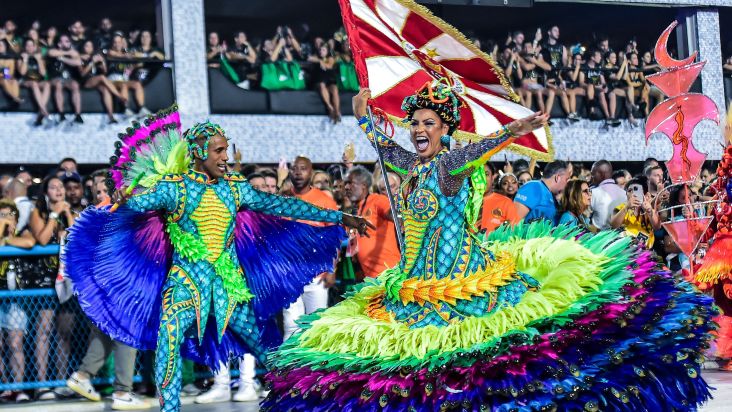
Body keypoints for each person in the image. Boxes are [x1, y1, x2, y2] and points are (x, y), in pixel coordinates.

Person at [265, 82, 715, 411]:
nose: (418, 130)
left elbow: (486, 144)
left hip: (463, 281)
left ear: (444, 129)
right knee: (418, 371)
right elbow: (382, 144)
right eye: (415, 124)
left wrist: (521, 126)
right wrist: (361, 112)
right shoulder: (411, 164)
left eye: (428, 124)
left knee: (476, 366)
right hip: (415, 284)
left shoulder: (448, 164)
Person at [65, 108, 371, 412]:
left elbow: (283, 206)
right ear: (198, 152)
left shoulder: (235, 189)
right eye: (219, 150)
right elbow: (138, 202)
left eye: (226, 149)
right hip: (184, 284)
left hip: (228, 288)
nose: (226, 157)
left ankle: (302, 402)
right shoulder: (175, 188)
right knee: (167, 349)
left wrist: (339, 217)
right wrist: (124, 198)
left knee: (266, 349)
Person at [282, 156, 340, 339]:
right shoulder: (283, 201)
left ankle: (316, 369)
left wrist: (333, 269)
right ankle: (290, 368)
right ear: (290, 172)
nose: (298, 172)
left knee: (317, 327)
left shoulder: (325, 201)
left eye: (303, 168)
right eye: (294, 168)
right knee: (291, 325)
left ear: (311, 173)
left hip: (318, 275)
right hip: (289, 275)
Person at [0, 199, 35, 403]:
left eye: (8, 215)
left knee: (15, 343)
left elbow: (29, 243)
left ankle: (18, 386)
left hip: (17, 299)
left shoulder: (24, 232)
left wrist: (6, 239)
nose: (5, 220)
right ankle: (5, 386)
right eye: (1, 216)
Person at [344, 166, 400, 279]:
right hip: (369, 278)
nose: (346, 187)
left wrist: (400, 218)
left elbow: (393, 214)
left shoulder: (377, 200)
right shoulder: (354, 211)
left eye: (350, 183)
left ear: (363, 185)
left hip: (388, 275)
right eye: (346, 183)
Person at [79, 40, 126, 123]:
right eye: (87, 46)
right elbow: (82, 74)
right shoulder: (80, 57)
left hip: (96, 82)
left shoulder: (95, 57)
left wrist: (102, 62)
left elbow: (105, 72)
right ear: (83, 47)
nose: (89, 48)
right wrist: (91, 63)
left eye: (90, 46)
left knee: (105, 90)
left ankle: (111, 117)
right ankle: (119, 96)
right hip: (85, 82)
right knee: (101, 77)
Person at [610, 176, 660, 249]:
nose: (633, 193)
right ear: (626, 193)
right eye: (629, 190)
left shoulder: (649, 209)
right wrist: (627, 207)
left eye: (636, 190)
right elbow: (614, 225)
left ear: (645, 194)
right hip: (624, 250)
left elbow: (657, 227)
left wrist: (649, 210)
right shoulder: (621, 208)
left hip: (645, 252)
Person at [514, 160, 570, 224]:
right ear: (557, 177)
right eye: (566, 179)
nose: (567, 184)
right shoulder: (533, 187)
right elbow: (513, 222)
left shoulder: (551, 194)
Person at [47, 34, 84, 123]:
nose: (66, 43)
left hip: (68, 79)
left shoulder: (74, 53)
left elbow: (78, 62)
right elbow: (51, 53)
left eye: (67, 41)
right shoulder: (54, 50)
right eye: (64, 41)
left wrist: (62, 58)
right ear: (59, 43)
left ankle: (78, 114)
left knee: (75, 85)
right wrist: (67, 53)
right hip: (55, 78)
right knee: (59, 84)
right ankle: (61, 113)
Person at [17, 38, 51, 126]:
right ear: (25, 47)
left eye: (32, 45)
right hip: (25, 80)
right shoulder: (21, 57)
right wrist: (25, 60)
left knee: (47, 84)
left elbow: (43, 73)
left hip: (38, 80)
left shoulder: (39, 57)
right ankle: (44, 111)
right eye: (27, 45)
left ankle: (41, 112)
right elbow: (22, 73)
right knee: (34, 84)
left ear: (35, 47)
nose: (30, 47)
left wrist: (39, 60)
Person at [480, 164, 518, 233]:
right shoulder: (464, 202)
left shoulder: (506, 203)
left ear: (493, 177)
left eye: (486, 174)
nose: (482, 178)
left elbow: (514, 234)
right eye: (478, 174)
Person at [589, 160, 626, 230]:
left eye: (593, 174)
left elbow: (585, 219)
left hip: (600, 238)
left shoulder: (593, 193)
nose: (591, 177)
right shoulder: (624, 193)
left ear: (601, 174)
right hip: (622, 238)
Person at [309, 43, 340, 123]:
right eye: (320, 50)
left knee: (334, 89)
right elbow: (309, 58)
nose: (321, 52)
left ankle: (337, 111)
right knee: (322, 85)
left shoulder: (330, 58)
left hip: (329, 80)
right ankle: (330, 107)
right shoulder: (316, 57)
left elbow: (329, 65)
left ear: (327, 51)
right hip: (319, 80)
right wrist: (320, 61)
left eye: (323, 50)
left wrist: (322, 63)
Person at [0, 40, 23, 107]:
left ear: (5, 47)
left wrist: (6, 75)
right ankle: (14, 97)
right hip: (1, 78)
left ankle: (15, 99)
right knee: (4, 80)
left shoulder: (10, 58)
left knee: (14, 81)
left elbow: (10, 72)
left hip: (6, 77)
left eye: (1, 45)